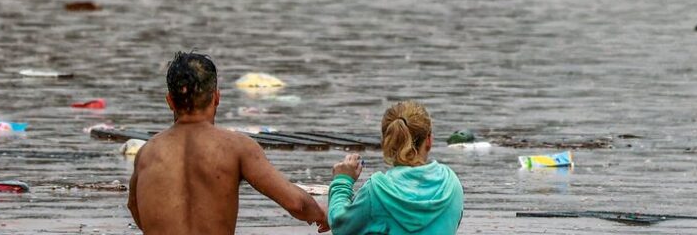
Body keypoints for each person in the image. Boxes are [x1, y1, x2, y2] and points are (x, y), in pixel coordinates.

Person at [128, 51, 328, 235]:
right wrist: (324, 213)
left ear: (170, 100)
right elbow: (296, 204)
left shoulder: (147, 152)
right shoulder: (236, 147)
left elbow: (134, 207)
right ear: (216, 98)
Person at [327, 101, 463, 235]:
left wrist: (342, 181)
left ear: (386, 142)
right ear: (429, 140)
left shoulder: (376, 190)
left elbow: (340, 225)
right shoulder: (451, 184)